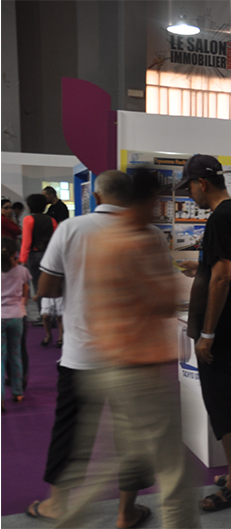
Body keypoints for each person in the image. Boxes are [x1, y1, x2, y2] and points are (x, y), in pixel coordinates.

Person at [65, 169, 201, 528]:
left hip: (105, 364)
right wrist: (185, 281)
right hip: (139, 374)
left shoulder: (103, 240)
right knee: (173, 470)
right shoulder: (138, 242)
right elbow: (163, 300)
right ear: (147, 200)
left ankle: (68, 519)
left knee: (114, 461)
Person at [27, 170, 152, 528]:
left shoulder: (71, 228)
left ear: (96, 197)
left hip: (81, 353)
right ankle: (126, 512)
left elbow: (47, 289)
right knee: (132, 435)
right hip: (133, 355)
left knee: (69, 431)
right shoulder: (147, 233)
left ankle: (57, 504)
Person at [177, 154, 231, 511]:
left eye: (190, 188)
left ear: (203, 184)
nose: (190, 195)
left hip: (221, 332)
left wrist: (207, 333)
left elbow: (224, 276)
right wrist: (200, 266)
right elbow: (228, 268)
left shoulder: (220, 219)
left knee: (224, 407)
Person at [20, 194, 58, 322]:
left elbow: (26, 242)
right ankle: (53, 315)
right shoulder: (51, 220)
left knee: (38, 286)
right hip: (49, 255)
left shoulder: (29, 219)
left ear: (30, 206)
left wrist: (22, 259)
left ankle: (43, 316)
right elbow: (56, 240)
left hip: (34, 255)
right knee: (50, 285)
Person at [2, 236, 30, 405]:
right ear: (15, 253)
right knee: (16, 354)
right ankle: (18, 391)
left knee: (1, 357)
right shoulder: (22, 271)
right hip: (17, 316)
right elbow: (26, 291)